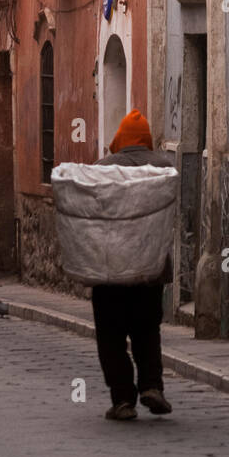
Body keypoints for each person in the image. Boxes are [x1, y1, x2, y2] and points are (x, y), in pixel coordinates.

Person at [91, 109, 175, 421]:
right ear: (146, 139)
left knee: (111, 335)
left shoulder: (102, 169)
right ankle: (152, 386)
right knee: (147, 330)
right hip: (150, 270)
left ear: (120, 138)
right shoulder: (166, 167)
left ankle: (123, 398)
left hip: (110, 269)